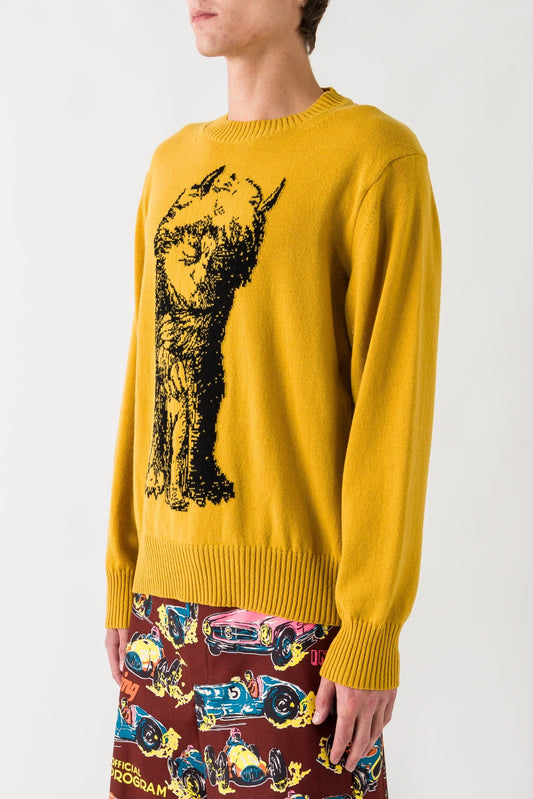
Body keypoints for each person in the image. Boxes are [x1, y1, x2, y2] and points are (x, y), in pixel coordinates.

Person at [104, 1, 441, 795]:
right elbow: (146, 380)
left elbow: (393, 410)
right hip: (160, 614)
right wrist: (124, 574)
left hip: (299, 636)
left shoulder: (375, 159)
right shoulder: (171, 165)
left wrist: (369, 630)